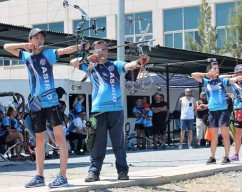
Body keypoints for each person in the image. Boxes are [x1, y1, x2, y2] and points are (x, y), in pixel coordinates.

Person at [4, 28, 84, 188]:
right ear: (31, 40)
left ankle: (62, 176)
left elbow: (64, 50)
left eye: (42, 38)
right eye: (37, 38)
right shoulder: (26, 56)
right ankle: (39, 176)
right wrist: (25, 46)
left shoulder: (47, 54)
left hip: (51, 104)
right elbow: (7, 46)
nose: (40, 40)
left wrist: (79, 46)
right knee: (40, 140)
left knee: (60, 139)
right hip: (36, 105)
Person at [70, 40, 150, 182]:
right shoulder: (90, 66)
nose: (100, 52)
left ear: (107, 51)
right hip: (97, 111)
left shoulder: (114, 65)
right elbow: (72, 63)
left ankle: (122, 171)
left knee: (118, 142)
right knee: (96, 142)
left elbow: (129, 66)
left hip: (116, 110)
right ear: (93, 52)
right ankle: (94, 171)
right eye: (97, 50)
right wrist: (88, 58)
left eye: (103, 49)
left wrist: (139, 61)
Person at [191, 62, 242, 165]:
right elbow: (193, 75)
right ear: (209, 70)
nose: (217, 70)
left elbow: (236, 79)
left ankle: (226, 157)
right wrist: (206, 75)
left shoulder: (222, 81)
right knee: (214, 137)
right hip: (212, 111)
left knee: (225, 135)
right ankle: (212, 157)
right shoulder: (207, 82)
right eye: (214, 68)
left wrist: (241, 76)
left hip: (223, 111)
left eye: (217, 69)